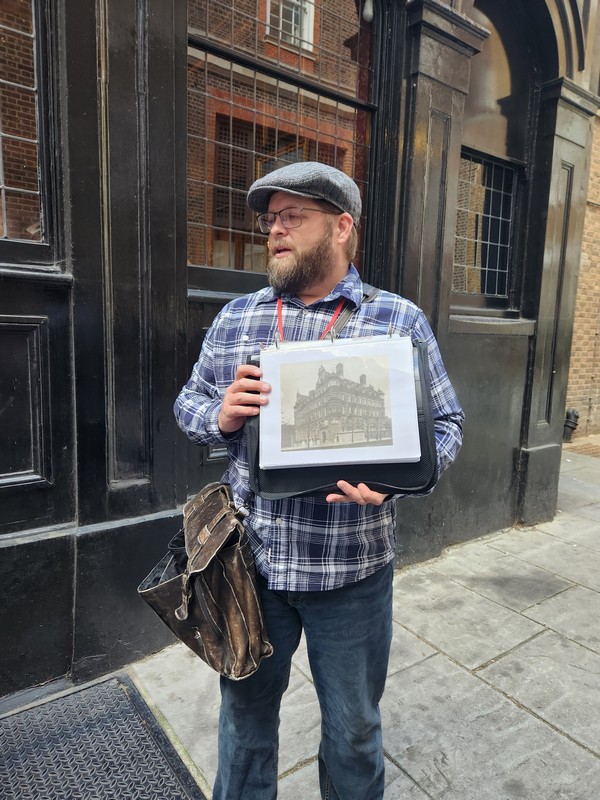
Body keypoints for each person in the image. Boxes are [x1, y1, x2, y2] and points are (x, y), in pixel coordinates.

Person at [174, 161, 464, 800]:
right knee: (245, 722)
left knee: (355, 730)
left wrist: (400, 482)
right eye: (269, 220)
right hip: (251, 565)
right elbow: (187, 403)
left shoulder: (397, 321)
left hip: (351, 571)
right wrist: (218, 415)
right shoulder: (237, 319)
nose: (273, 231)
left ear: (341, 227)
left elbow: (446, 425)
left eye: (291, 218)